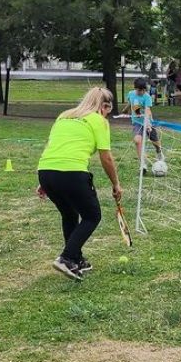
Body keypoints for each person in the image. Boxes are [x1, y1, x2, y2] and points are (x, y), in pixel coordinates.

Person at [36, 87, 122, 281]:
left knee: (69, 214)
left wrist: (45, 181)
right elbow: (106, 157)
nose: (107, 115)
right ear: (104, 106)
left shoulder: (64, 116)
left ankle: (76, 259)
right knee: (92, 216)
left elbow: (51, 146)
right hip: (72, 173)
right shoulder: (98, 120)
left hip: (46, 171)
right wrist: (116, 184)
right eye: (108, 110)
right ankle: (66, 258)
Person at [125, 77, 164, 171]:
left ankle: (159, 152)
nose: (142, 92)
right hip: (137, 123)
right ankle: (143, 164)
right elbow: (130, 102)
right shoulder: (131, 94)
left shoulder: (147, 97)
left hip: (148, 122)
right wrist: (125, 109)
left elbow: (147, 110)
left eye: (143, 90)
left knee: (155, 141)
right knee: (137, 141)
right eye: (139, 90)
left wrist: (148, 124)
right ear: (135, 88)